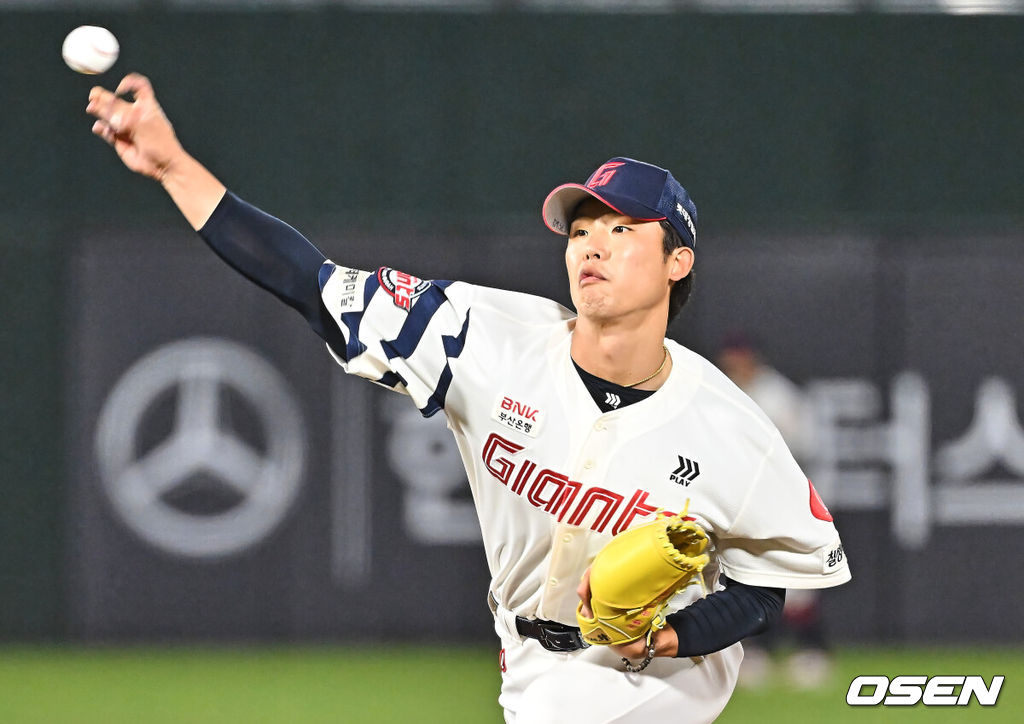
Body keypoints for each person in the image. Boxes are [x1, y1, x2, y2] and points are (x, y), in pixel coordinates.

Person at [86, 74, 851, 723]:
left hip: (665, 688)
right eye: (581, 227)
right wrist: (173, 167)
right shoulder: (481, 338)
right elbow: (312, 284)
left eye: (622, 229)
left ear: (677, 260)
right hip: (530, 665)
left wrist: (665, 640)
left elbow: (760, 589)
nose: (591, 244)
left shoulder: (733, 431)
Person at [716, 335, 834, 689]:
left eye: (738, 360)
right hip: (746, 503)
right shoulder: (723, 394)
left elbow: (806, 452)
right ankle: (757, 650)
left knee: (798, 584)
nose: (733, 366)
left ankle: (812, 652)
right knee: (749, 576)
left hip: (791, 500)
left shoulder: (778, 396)